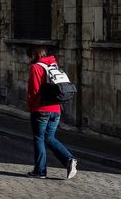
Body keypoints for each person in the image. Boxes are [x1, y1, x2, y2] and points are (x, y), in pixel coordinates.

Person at [26, 46, 77, 179]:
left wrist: (31, 107)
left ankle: (40, 171)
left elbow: (34, 91)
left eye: (29, 56)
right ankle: (68, 160)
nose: (29, 59)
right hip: (56, 110)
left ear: (33, 55)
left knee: (39, 139)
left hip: (41, 110)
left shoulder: (36, 67)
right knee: (49, 138)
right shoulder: (53, 65)